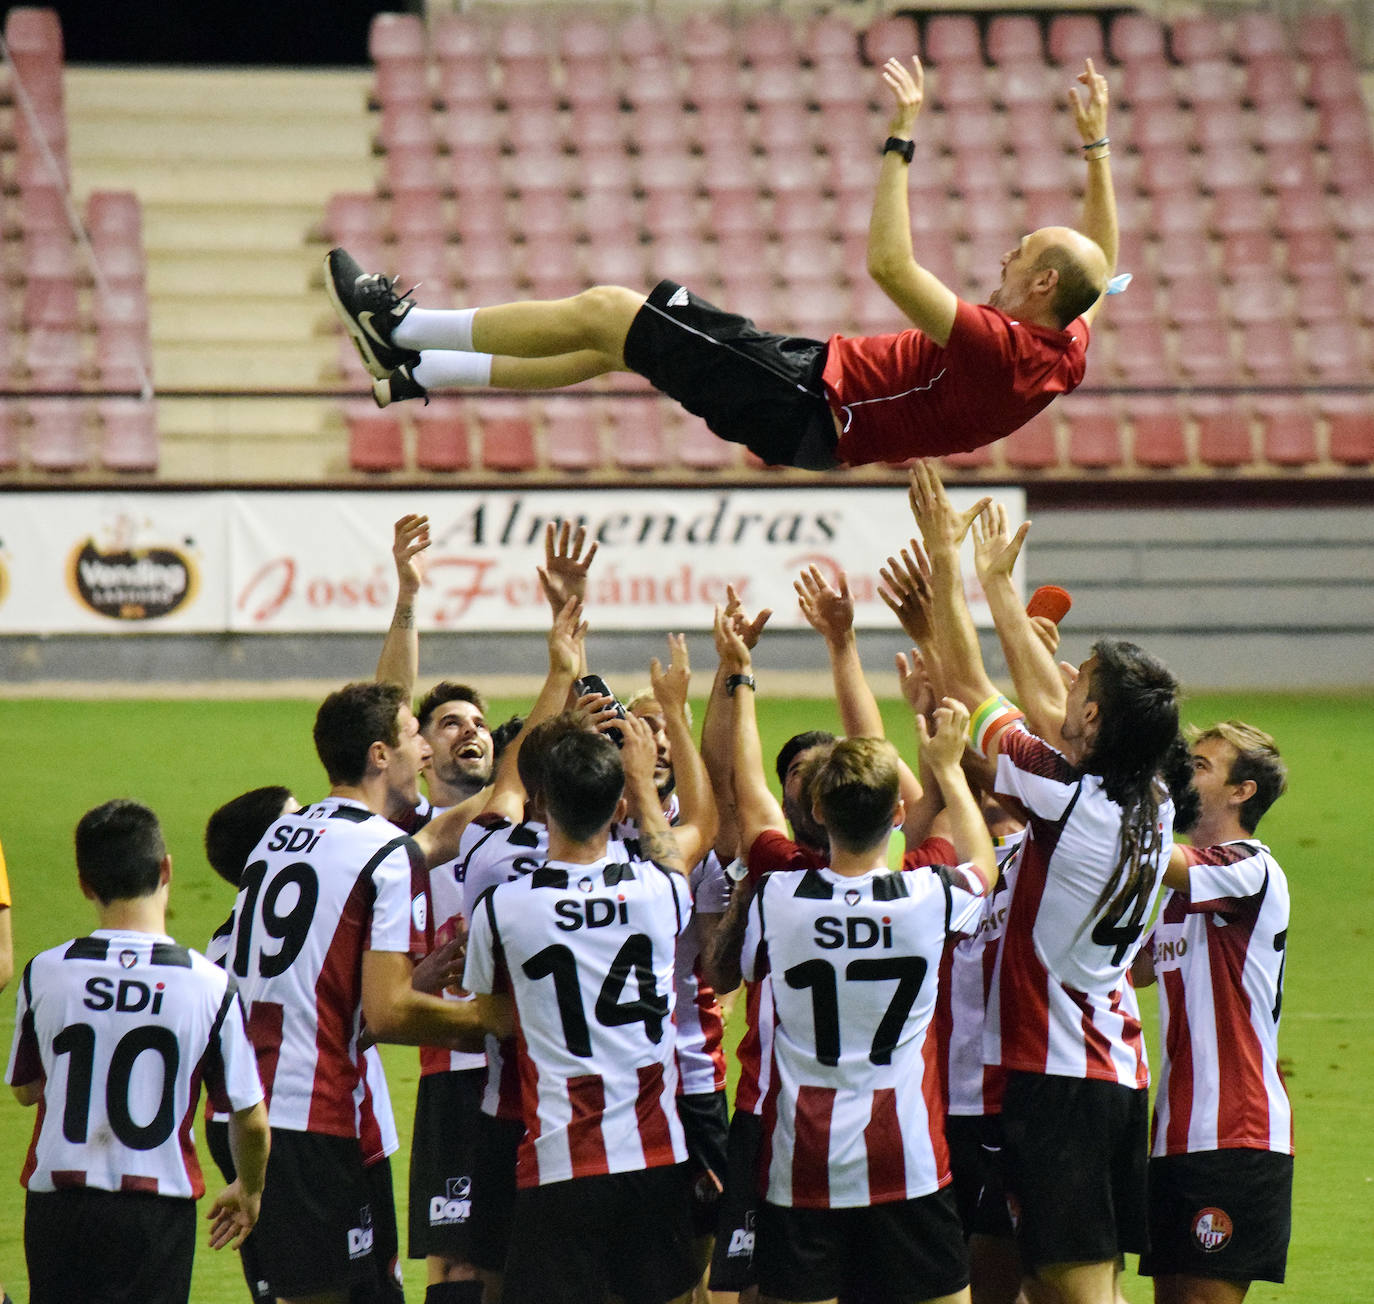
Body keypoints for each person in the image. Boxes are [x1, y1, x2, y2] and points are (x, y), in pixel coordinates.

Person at [325, 57, 1116, 470]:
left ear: (1042, 285)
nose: (1005, 254)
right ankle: (419, 374)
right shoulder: (1064, 347)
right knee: (612, 346)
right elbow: (1099, 262)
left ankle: (396, 324)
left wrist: (902, 135)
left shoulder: (999, 347)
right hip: (808, 396)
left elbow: (888, 263)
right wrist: (1096, 149)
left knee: (609, 308)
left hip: (807, 402)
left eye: (1022, 253)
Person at [884, 461, 1198, 1304]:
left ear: (1091, 718)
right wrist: (994, 586)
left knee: (1075, 1291)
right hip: (1113, 1069)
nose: (1066, 685)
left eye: (1081, 682)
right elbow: (1035, 698)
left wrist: (948, 564)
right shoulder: (1154, 802)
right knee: (1070, 1285)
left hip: (1059, 1080)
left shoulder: (1065, 795)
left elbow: (971, 688)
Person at [227, 668, 555, 1304]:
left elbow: (333, 992)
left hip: (255, 1101)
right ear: (381, 755)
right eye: (413, 736)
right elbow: (393, 1013)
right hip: (309, 1111)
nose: (426, 749)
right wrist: (497, 1018)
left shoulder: (281, 838)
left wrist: (559, 676)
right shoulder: (381, 854)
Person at [739, 705, 998, 1304]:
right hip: (904, 1151)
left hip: (802, 1155)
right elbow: (982, 864)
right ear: (899, 813)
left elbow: (744, 964)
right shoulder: (928, 895)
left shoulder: (779, 895)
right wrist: (949, 771)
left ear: (819, 811)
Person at [463, 715, 707, 1304]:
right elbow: (674, 853)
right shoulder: (662, 892)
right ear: (619, 801)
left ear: (541, 803)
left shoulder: (503, 909)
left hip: (558, 1157)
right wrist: (646, 788)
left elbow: (492, 1017)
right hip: (655, 1150)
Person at [5, 800, 270, 1304]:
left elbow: (25, 1089)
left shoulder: (46, 971)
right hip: (156, 1211)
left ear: (85, 883)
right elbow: (250, 1117)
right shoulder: (210, 985)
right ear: (166, 868)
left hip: (60, 1206)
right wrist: (248, 1187)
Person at [1133, 723, 1293, 1304]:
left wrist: (1119, 773)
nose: (1183, 774)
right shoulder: (1180, 897)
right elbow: (1128, 971)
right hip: (1174, 1133)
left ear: (1241, 792)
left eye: (1199, 766)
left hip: (1237, 1133)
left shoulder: (1249, 870)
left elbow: (1151, 852)